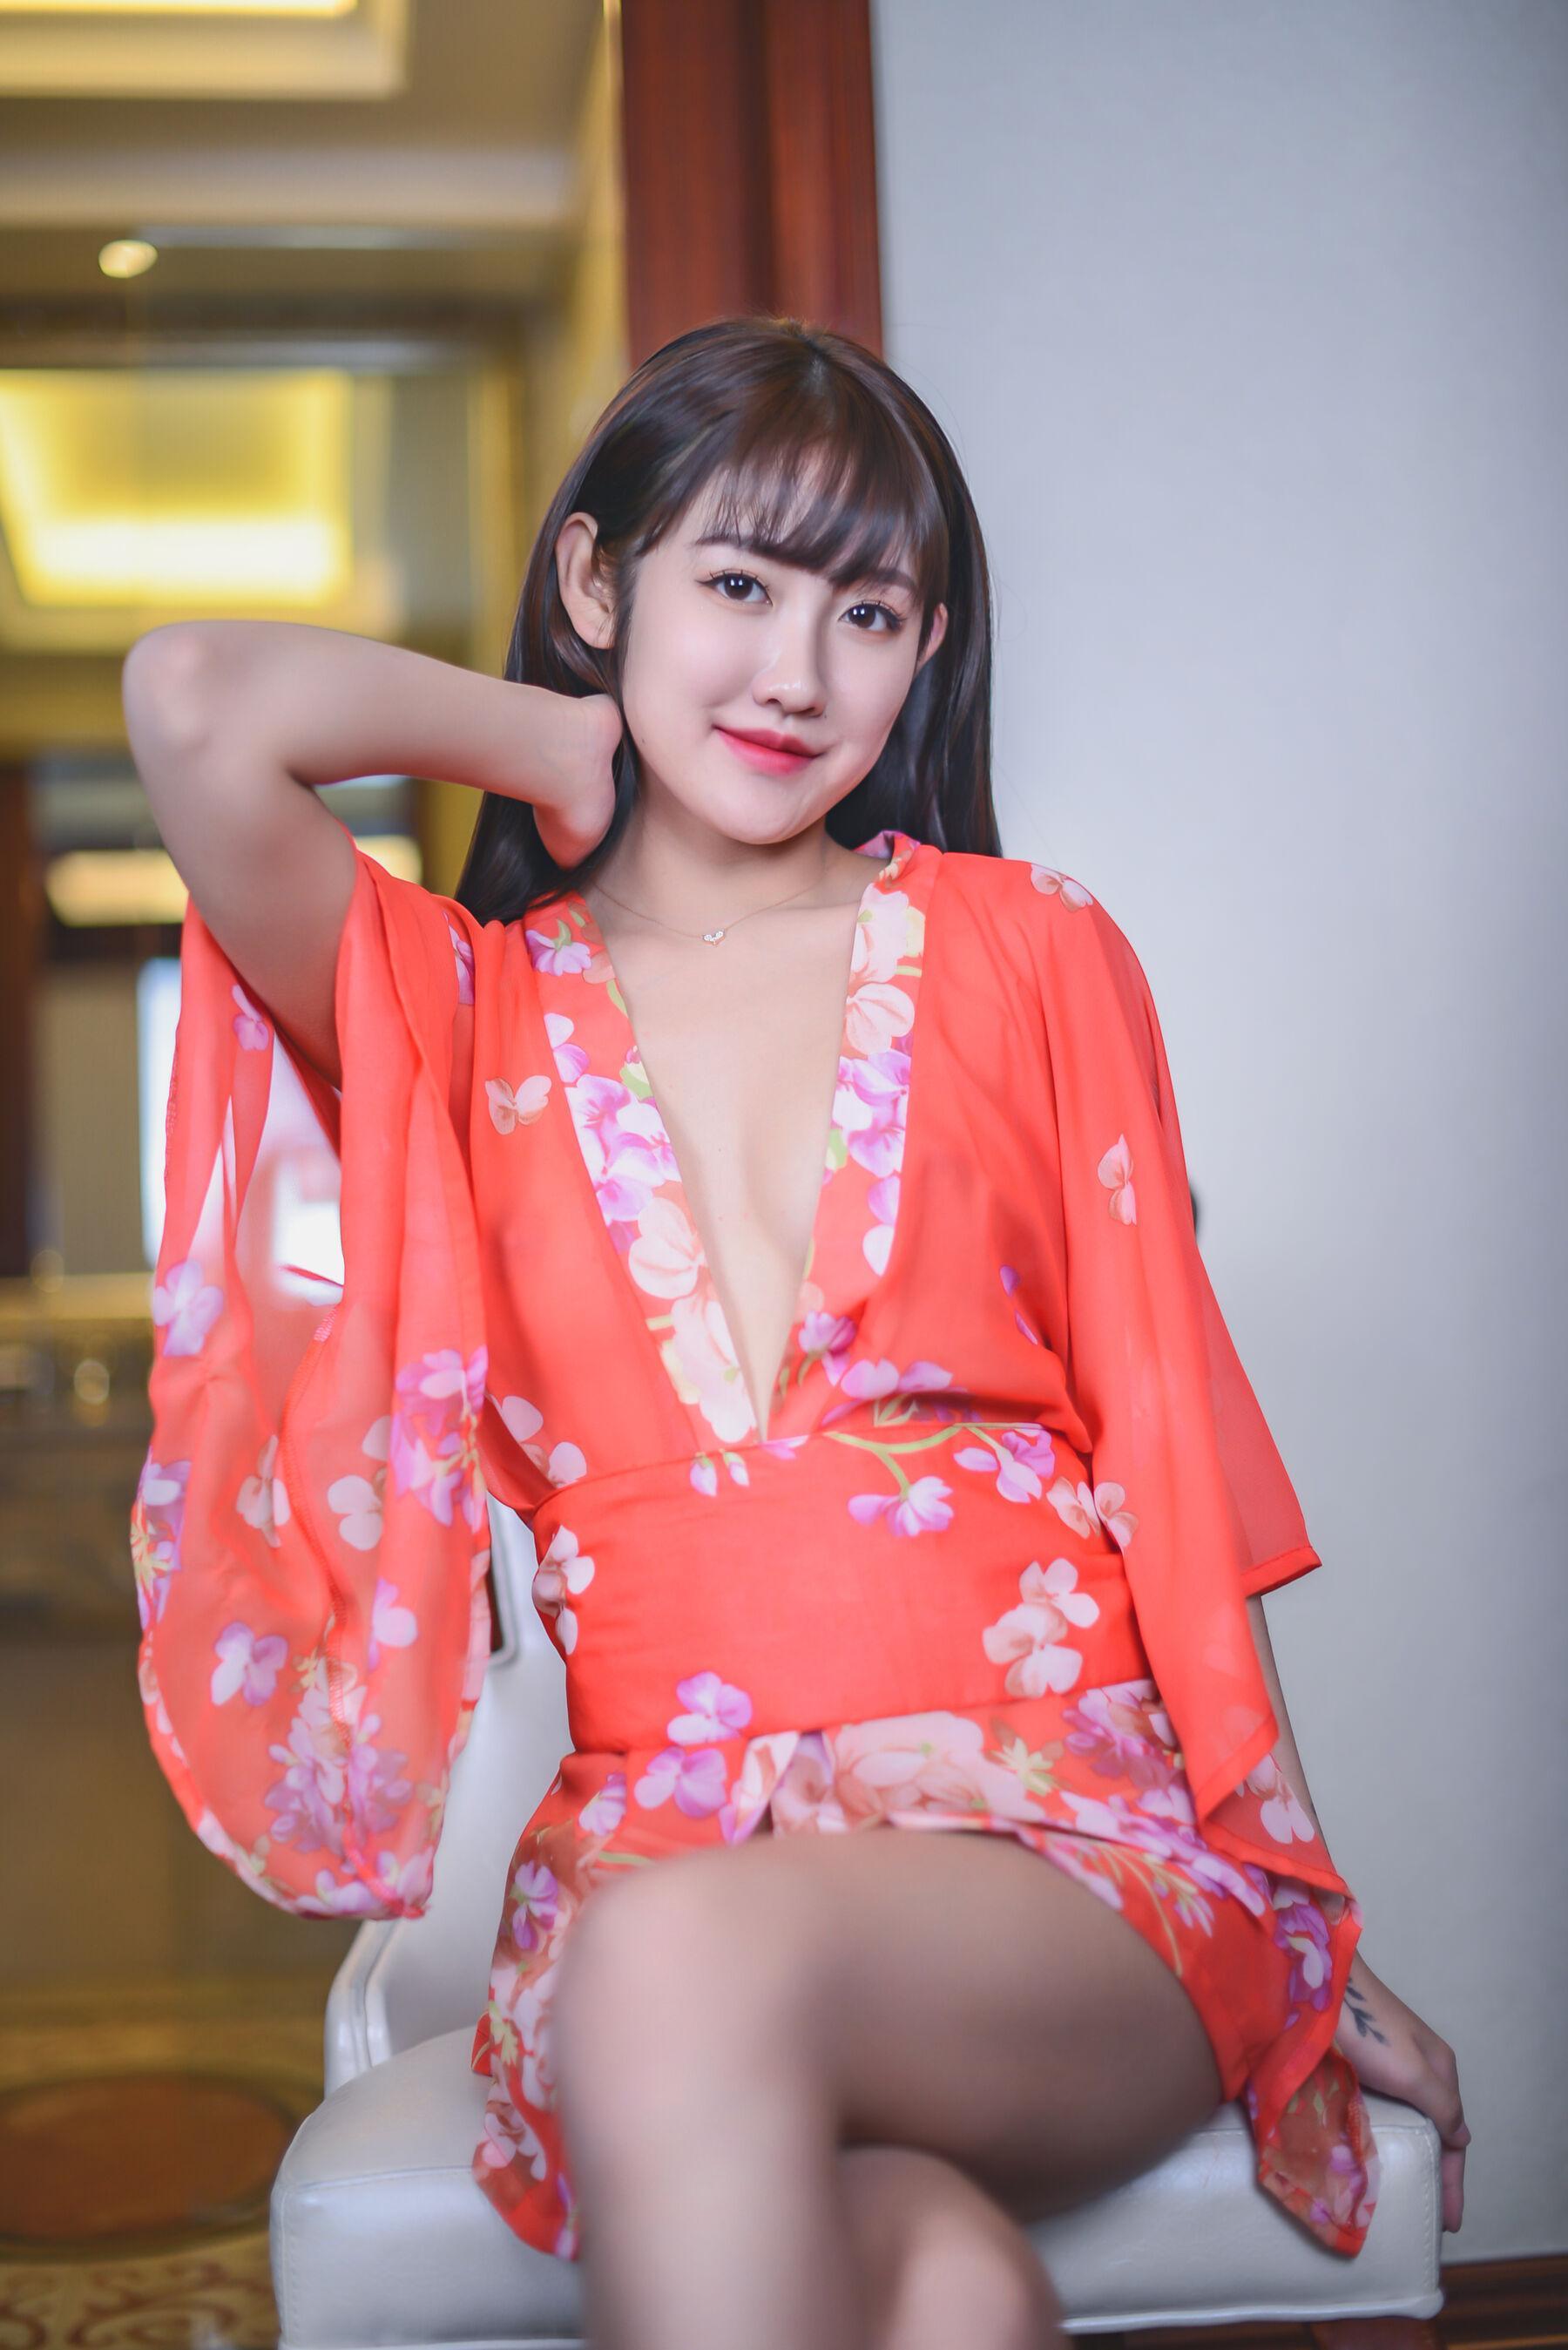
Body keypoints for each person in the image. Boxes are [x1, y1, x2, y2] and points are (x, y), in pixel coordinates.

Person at [124, 315, 1466, 2350]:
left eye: (869, 611)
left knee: (672, 1969)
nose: (796, 671)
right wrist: (543, 734)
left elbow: (1173, 1451)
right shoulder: (468, 1009)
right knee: (931, 2283)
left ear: (927, 649)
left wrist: (1310, 1891)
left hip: (1066, 1853)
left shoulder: (1035, 950)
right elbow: (194, 698)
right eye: (738, 584)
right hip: (662, 1861)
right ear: (602, 583)